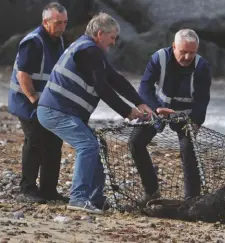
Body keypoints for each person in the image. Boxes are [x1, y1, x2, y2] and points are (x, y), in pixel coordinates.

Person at [36, 12, 153, 214]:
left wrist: (140, 102)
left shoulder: (91, 50)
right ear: (100, 33)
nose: (114, 42)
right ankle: (79, 198)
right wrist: (128, 111)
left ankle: (96, 199)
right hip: (55, 111)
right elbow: (102, 88)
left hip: (63, 111)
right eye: (112, 37)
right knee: (88, 146)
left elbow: (114, 79)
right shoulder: (89, 51)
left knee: (97, 145)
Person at [129, 29, 212, 204]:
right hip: (157, 109)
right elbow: (145, 87)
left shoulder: (202, 66)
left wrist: (196, 121)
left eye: (192, 52)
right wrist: (156, 108)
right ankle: (151, 191)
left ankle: (192, 200)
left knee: (188, 151)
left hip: (186, 116)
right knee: (135, 143)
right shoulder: (158, 58)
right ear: (174, 47)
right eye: (183, 52)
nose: (188, 57)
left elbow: (202, 99)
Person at [7, 2, 68, 204]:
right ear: (45, 22)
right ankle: (27, 189)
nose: (62, 27)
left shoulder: (57, 40)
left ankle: (49, 190)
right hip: (26, 101)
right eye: (58, 23)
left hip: (47, 103)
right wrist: (34, 99)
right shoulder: (33, 41)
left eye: (64, 23)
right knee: (35, 141)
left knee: (54, 143)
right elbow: (23, 75)